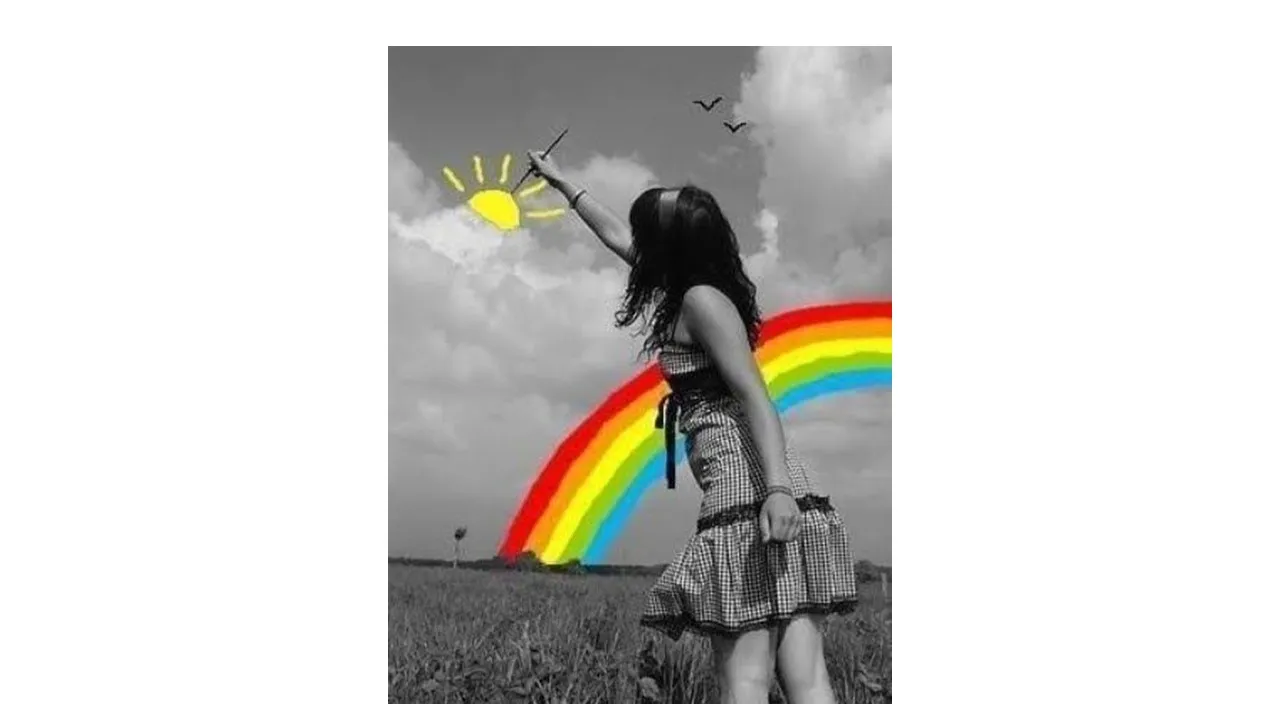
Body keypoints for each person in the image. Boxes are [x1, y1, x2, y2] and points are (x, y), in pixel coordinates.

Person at [526, 150, 858, 704]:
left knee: (746, 679)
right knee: (807, 678)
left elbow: (756, 395)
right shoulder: (687, 287)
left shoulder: (702, 302)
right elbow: (617, 237)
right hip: (772, 488)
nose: (638, 240)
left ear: (670, 248)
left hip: (748, 491)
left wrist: (775, 491)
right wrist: (564, 183)